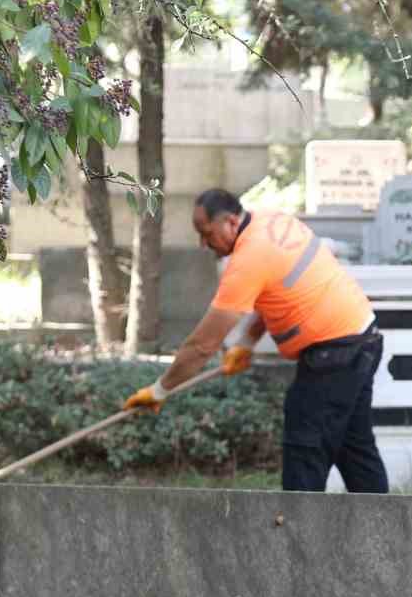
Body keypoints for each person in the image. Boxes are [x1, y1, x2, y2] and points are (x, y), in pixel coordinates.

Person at [123, 188, 389, 494]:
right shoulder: (273, 222)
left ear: (231, 223)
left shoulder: (247, 261)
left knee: (304, 446)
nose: (203, 244)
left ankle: (298, 532)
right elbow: (282, 292)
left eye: (206, 233)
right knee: (353, 448)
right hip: (363, 338)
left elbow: (201, 346)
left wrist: (159, 390)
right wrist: (246, 343)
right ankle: (385, 531)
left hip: (336, 353)